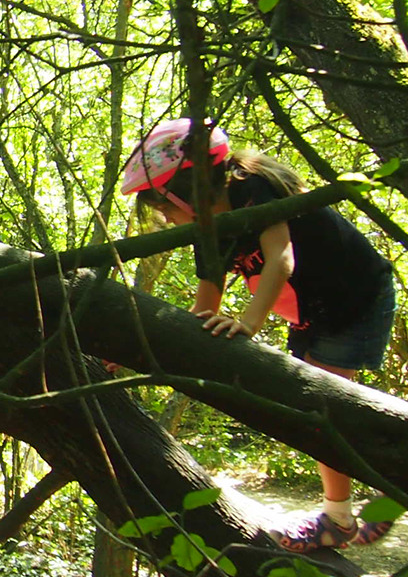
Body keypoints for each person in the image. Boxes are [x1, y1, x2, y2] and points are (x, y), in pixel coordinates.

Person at [120, 117, 398, 554]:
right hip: (315, 317)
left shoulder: (251, 190)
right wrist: (136, 349)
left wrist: (248, 324)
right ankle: (347, 511)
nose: (164, 216)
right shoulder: (209, 234)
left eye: (164, 204)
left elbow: (281, 260)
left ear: (188, 190)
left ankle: (347, 512)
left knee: (326, 407)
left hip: (355, 301)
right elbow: (204, 308)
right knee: (321, 408)